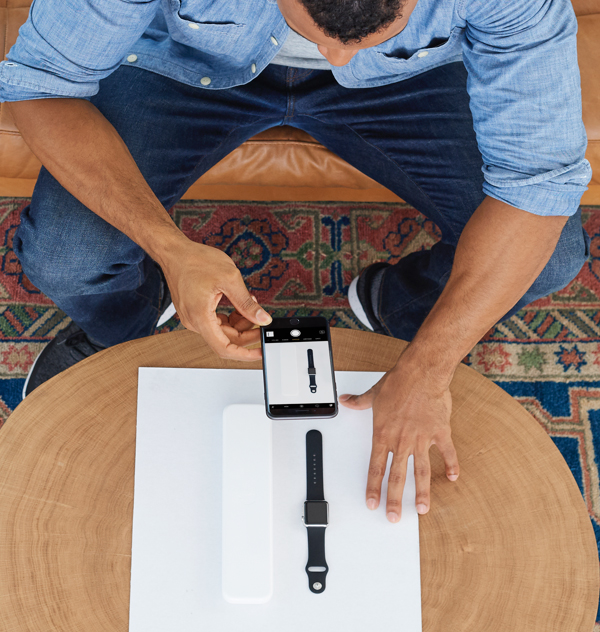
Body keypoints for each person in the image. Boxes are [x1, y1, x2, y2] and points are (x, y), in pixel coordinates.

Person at [1, 0, 590, 523]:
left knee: (550, 257)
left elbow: (537, 185)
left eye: (370, 33)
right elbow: (40, 84)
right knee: (65, 256)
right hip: (183, 64)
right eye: (321, 32)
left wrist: (430, 368)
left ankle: (396, 308)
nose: (335, 57)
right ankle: (131, 324)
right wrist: (172, 249)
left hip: (411, 77)